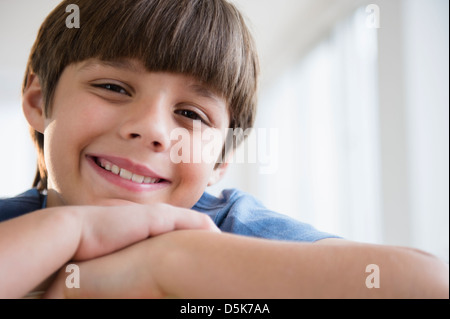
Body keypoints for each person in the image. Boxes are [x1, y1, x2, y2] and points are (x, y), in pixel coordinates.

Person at [0, 0, 448, 299]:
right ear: (39, 101)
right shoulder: (13, 226)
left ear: (221, 159)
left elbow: (426, 284)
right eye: (113, 86)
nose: (153, 130)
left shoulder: (230, 230)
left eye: (192, 115)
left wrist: (168, 263)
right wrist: (67, 229)